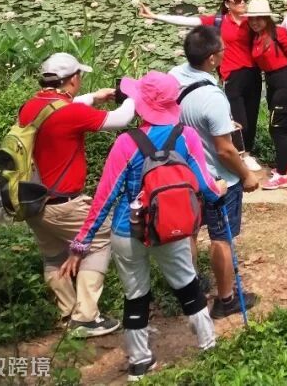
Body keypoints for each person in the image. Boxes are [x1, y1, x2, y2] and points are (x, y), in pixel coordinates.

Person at [60, 71, 226, 381]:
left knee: (135, 294)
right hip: (170, 225)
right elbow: (205, 185)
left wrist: (81, 243)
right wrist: (220, 191)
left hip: (128, 229)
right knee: (187, 284)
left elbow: (105, 197)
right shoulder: (186, 136)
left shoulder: (127, 142)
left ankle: (139, 362)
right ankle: (209, 346)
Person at [18, 52, 135, 337]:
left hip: (33, 202)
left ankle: (68, 312)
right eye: (79, 76)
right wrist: (133, 96)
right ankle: (86, 318)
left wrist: (95, 97)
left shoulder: (30, 107)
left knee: (53, 255)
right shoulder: (71, 113)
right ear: (72, 80)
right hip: (64, 205)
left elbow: (61, 109)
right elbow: (121, 119)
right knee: (99, 240)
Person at [170, 25, 261, 320]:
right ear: (211, 58)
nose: (225, 53)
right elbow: (224, 150)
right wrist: (246, 174)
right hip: (217, 180)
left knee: (190, 232)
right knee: (221, 238)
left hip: (185, 173)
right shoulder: (212, 97)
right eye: (223, 50)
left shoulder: (174, 77)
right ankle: (225, 299)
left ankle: (192, 289)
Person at [139, 0, 262, 171]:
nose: (242, 2)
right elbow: (190, 21)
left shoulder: (251, 21)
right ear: (227, 4)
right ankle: (239, 155)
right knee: (238, 117)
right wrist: (155, 16)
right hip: (231, 75)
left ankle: (248, 153)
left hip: (253, 73)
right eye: (237, 0)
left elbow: (271, 27)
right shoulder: (219, 21)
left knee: (252, 115)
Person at [247, 0, 287, 191]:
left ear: (267, 18)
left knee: (276, 128)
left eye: (259, 18)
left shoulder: (278, 32)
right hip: (273, 83)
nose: (254, 22)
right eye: (251, 18)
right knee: (284, 124)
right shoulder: (256, 36)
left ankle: (282, 175)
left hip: (286, 84)